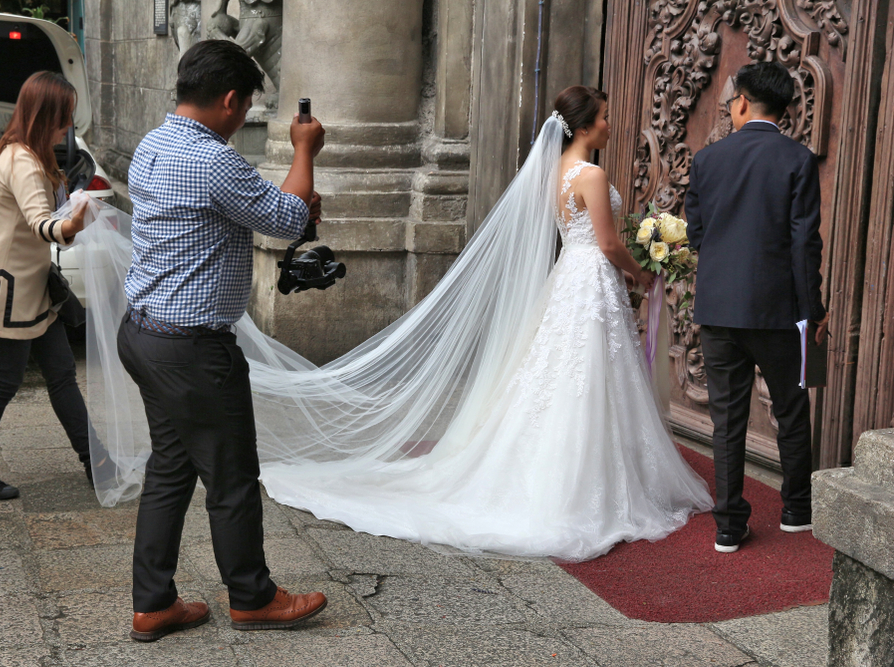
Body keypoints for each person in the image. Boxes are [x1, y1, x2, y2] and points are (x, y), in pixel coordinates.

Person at [252, 87, 713, 560]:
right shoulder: (591, 174)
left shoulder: (553, 172)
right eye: (606, 117)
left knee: (565, 372)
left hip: (571, 278)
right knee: (588, 372)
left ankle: (574, 466)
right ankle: (586, 479)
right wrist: (642, 274)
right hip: (591, 276)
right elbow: (609, 244)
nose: (611, 125)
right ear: (584, 126)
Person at [116, 40, 328, 641]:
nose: (242, 119)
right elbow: (289, 219)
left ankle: (153, 602)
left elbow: (266, 210)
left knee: (171, 467)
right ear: (231, 99)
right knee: (231, 475)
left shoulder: (152, 144)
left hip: (145, 333)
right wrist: (304, 150)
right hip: (192, 348)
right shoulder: (213, 161)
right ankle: (253, 596)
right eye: (245, 107)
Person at [685, 61, 828, 553]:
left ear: (742, 101)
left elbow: (698, 233)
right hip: (778, 309)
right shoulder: (798, 159)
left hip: (719, 307)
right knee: (790, 408)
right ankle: (796, 510)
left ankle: (728, 525)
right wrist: (813, 309)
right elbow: (804, 243)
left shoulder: (707, 160)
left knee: (727, 418)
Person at [0, 71, 92, 501]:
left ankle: (94, 462)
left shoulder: (25, 153)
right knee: (1, 384)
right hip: (8, 294)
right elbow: (41, 223)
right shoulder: (22, 160)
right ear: (45, 114)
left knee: (63, 376)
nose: (68, 125)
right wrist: (71, 223)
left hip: (33, 290)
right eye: (64, 116)